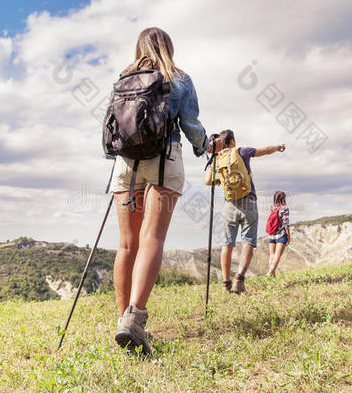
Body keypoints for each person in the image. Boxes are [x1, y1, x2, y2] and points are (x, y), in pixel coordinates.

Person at [108, 27, 221, 355]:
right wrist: (206, 147)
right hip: (164, 158)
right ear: (168, 47)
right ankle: (135, 321)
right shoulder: (180, 79)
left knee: (127, 244)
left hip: (126, 164)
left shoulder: (123, 77)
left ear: (139, 47)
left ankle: (122, 321)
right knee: (152, 238)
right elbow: (191, 125)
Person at [205, 129, 285, 294]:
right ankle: (239, 280)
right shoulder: (242, 151)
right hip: (248, 201)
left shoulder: (217, 159)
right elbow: (266, 150)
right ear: (232, 141)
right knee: (248, 241)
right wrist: (278, 147)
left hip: (229, 205)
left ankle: (226, 283)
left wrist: (222, 178)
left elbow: (207, 181)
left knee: (227, 243)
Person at [267, 191, 290, 277]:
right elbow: (286, 223)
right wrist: (289, 235)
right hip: (281, 234)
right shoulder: (284, 208)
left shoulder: (272, 207)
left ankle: (272, 274)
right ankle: (270, 272)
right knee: (277, 255)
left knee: (272, 255)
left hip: (271, 234)